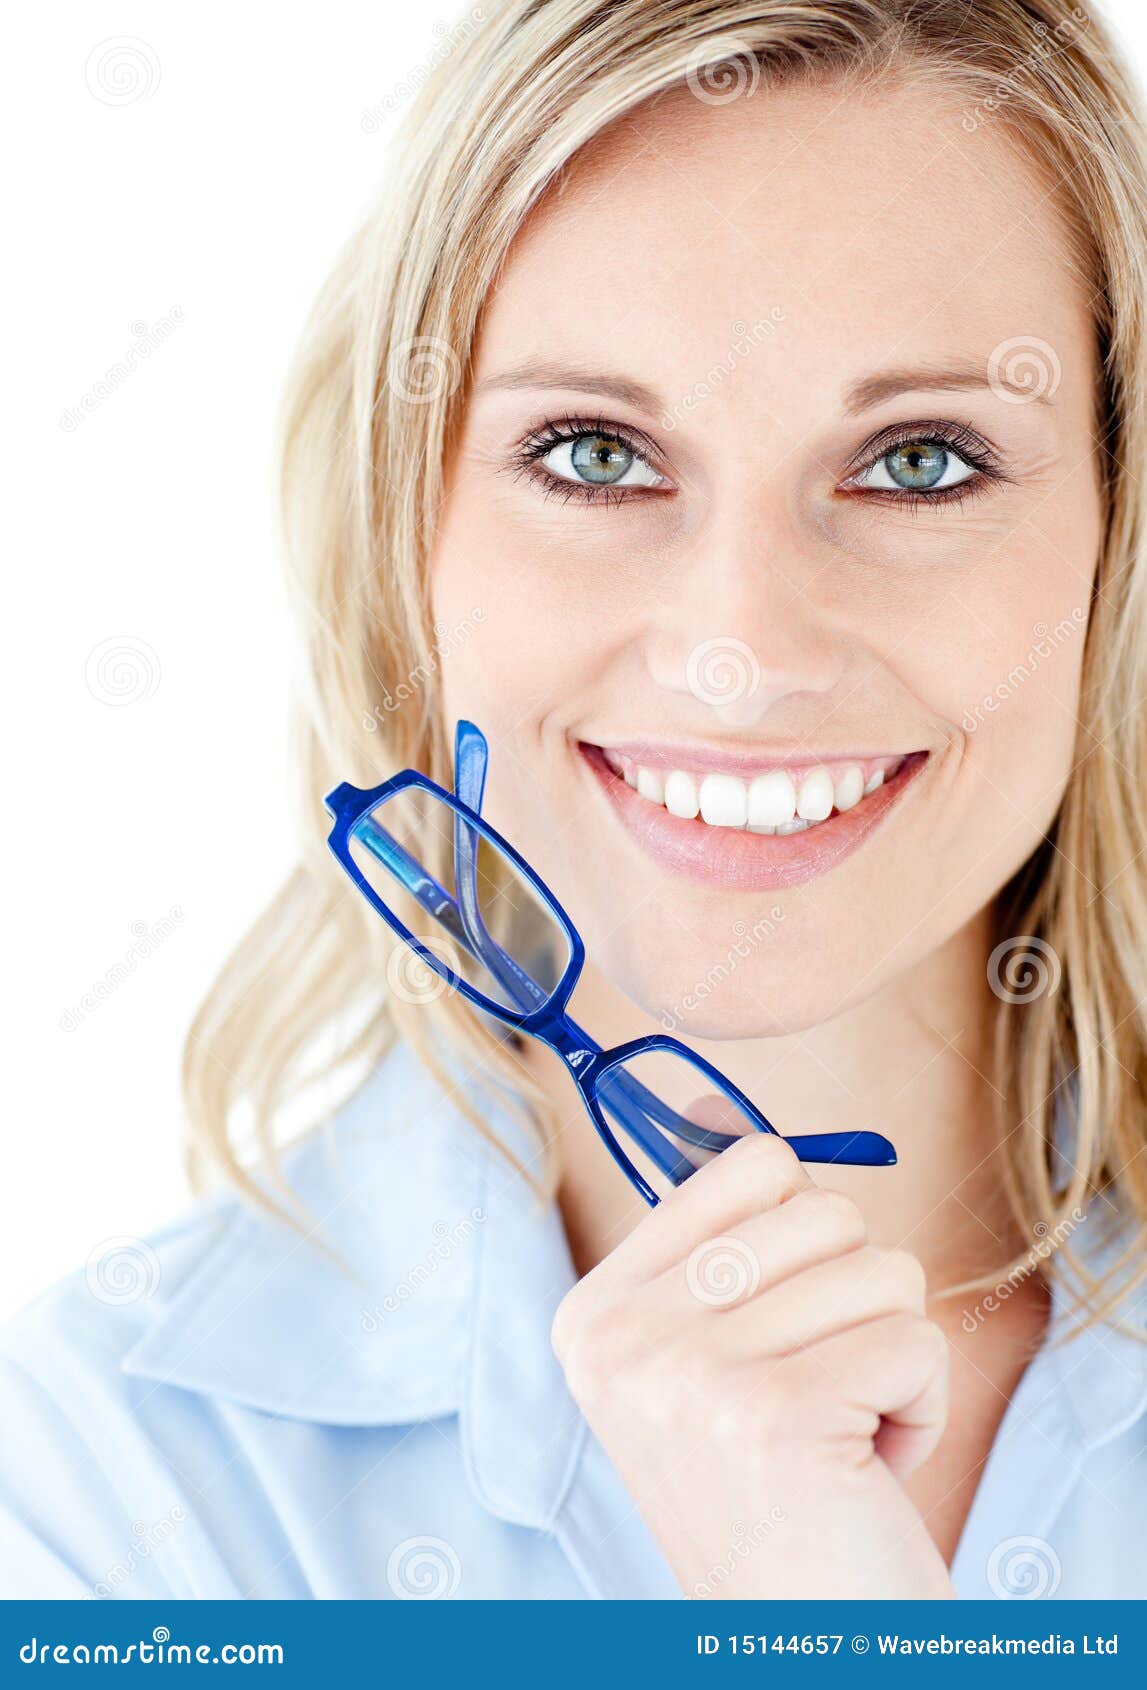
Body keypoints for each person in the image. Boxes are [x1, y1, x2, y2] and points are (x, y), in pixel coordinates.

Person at [5, 0, 1147, 1601]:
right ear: (405, 534)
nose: (742, 654)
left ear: (1118, 531)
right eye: (598, 454)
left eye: (920, 462)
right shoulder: (104, 1487)